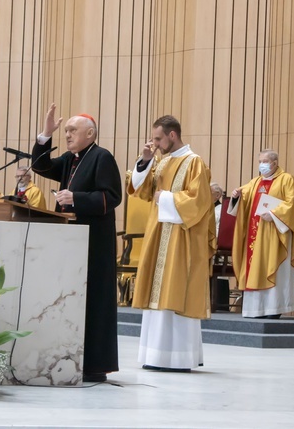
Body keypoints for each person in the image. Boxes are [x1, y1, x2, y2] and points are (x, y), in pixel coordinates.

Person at [31, 103, 122, 383]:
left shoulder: (101, 157)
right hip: (70, 242)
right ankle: (68, 361)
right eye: (66, 130)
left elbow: (112, 197)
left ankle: (95, 365)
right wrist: (46, 134)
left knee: (94, 302)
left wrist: (76, 199)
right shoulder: (71, 159)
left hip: (94, 243)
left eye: (72, 130)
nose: (67, 135)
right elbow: (40, 165)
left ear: (90, 134)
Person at [130, 115, 216, 371]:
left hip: (182, 239)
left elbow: (199, 201)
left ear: (172, 135)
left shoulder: (195, 163)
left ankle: (178, 357)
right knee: (157, 292)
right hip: (158, 235)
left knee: (176, 290)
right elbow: (141, 191)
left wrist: (165, 198)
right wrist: (145, 161)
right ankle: (154, 355)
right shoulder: (162, 161)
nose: (154, 143)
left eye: (157, 138)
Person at [229, 149, 294, 319]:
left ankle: (274, 309)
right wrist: (237, 196)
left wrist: (272, 214)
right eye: (259, 161)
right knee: (254, 268)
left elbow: (293, 205)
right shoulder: (255, 182)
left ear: (274, 162)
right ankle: (256, 310)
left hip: (276, 235)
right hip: (255, 236)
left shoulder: (287, 179)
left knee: (275, 269)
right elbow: (244, 198)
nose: (261, 165)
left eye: (264, 161)